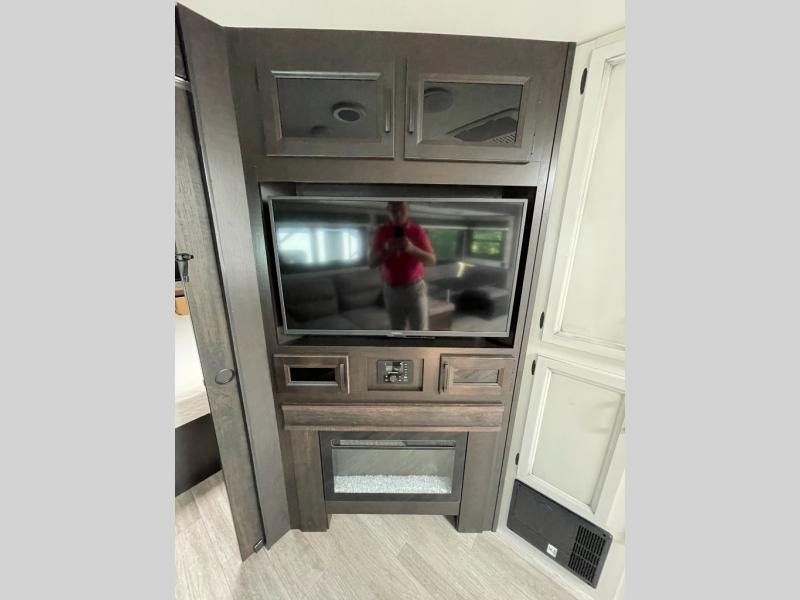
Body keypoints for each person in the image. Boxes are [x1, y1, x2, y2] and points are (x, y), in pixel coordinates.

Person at [371, 201, 436, 330]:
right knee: (397, 331)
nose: (398, 214)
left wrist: (412, 249)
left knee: (420, 332)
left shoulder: (417, 231)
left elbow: (432, 260)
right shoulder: (381, 232)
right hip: (391, 291)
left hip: (415, 289)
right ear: (388, 212)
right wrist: (385, 250)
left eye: (402, 210)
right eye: (393, 211)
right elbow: (371, 263)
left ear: (408, 212)